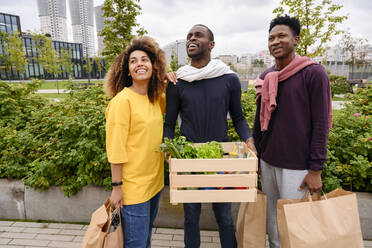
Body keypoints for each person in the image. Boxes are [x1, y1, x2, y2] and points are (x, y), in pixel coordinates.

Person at [164, 24, 256, 248]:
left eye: (198, 35)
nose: (191, 39)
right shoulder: (178, 81)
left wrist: (250, 141)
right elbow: (169, 124)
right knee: (191, 218)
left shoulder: (229, 78)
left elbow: (239, 118)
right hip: (188, 159)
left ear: (211, 44)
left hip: (220, 159)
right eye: (188, 36)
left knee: (224, 217)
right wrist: (168, 148)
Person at [252, 15, 332, 248]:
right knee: (273, 226)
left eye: (281, 36)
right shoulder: (267, 77)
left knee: (295, 226)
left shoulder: (313, 73)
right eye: (271, 38)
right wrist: (256, 157)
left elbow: (321, 124)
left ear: (296, 39)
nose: (275, 41)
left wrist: (316, 169)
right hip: (268, 161)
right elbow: (260, 121)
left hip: (297, 166)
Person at [104, 36, 167, 248]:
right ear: (128, 71)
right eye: (133, 61)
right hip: (133, 189)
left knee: (145, 239)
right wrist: (117, 187)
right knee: (136, 244)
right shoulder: (122, 102)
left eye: (145, 59)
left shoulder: (155, 98)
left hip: (154, 185)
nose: (139, 63)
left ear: (153, 66)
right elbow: (115, 148)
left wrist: (169, 78)